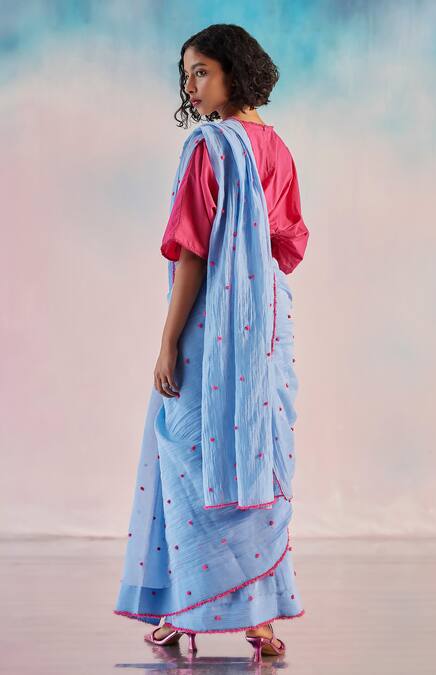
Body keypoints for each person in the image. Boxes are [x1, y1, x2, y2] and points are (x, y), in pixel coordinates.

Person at [113, 24, 310, 663]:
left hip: (211, 326)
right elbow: (287, 246)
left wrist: (168, 342)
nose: (191, 87)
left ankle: (182, 612)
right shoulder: (276, 149)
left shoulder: (209, 147)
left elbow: (192, 253)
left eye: (202, 72)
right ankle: (260, 621)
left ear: (234, 71)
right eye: (186, 75)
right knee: (252, 453)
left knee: (189, 457)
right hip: (265, 328)